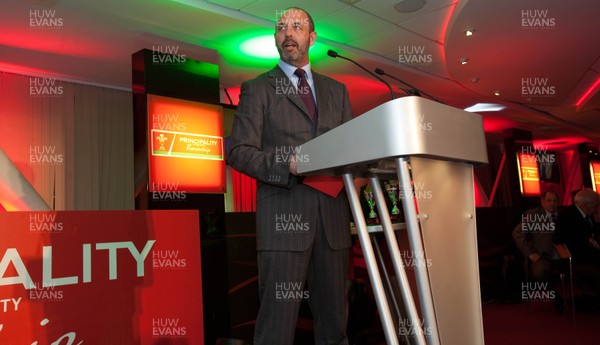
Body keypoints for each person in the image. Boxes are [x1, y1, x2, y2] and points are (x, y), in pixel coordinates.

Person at [227, 7, 353, 345]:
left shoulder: (337, 91)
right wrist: (288, 164)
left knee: (334, 328)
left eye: (297, 26)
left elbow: (349, 151)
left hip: (333, 224)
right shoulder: (258, 89)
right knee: (275, 330)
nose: (288, 33)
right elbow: (238, 151)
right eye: (281, 27)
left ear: (311, 37)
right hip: (283, 223)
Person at [554, 189, 600, 308]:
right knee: (593, 271)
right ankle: (590, 299)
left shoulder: (589, 216)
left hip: (587, 255)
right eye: (596, 205)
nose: (597, 208)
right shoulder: (566, 216)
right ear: (586, 205)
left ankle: (590, 298)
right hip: (573, 258)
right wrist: (586, 239)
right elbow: (560, 239)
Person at [512, 190, 560, 282]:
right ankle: (549, 295)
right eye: (549, 200)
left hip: (563, 256)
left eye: (555, 201)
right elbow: (517, 233)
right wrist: (530, 253)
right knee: (540, 271)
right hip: (542, 256)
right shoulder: (534, 215)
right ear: (542, 201)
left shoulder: (563, 214)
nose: (552, 204)